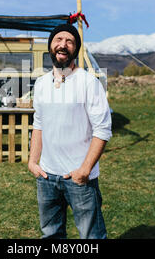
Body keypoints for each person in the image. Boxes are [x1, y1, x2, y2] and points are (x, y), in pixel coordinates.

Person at [28, 24, 112, 239]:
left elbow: (102, 130)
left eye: (69, 41)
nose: (62, 45)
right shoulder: (41, 83)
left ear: (76, 49)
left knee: (91, 236)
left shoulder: (89, 83)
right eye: (58, 40)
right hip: (46, 177)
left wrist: (84, 170)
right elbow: (39, 124)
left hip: (79, 178)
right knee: (51, 234)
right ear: (50, 46)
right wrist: (33, 162)